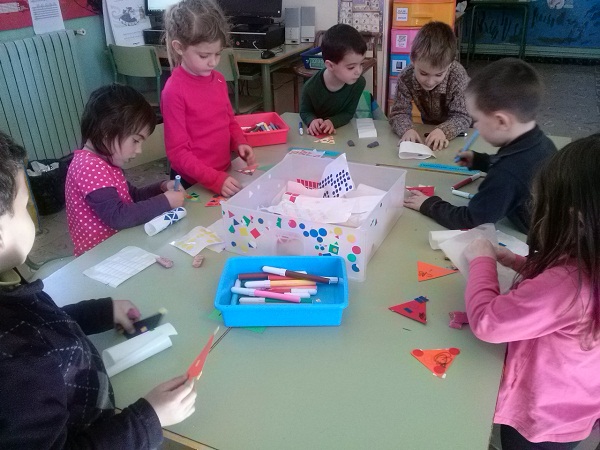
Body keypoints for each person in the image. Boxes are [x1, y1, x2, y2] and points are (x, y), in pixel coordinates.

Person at [0, 130, 197, 448]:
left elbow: (39, 324)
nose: (32, 217)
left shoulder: (8, 286)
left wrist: (101, 312)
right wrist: (148, 419)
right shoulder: (18, 368)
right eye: (24, 207)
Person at [463, 134, 600, 449]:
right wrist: (518, 262)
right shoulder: (589, 259)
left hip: (538, 420)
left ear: (575, 219)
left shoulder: (568, 286)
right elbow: (558, 285)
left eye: (543, 205)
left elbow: (487, 322)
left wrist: (482, 260)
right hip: (574, 408)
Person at [404, 58, 556, 233]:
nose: (475, 126)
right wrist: (478, 161)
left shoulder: (506, 174)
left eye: (477, 120)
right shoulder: (540, 142)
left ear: (501, 121)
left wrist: (429, 204)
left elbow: (471, 220)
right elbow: (514, 165)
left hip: (536, 237)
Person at [65, 84, 185, 256]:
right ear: (107, 130)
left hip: (119, 247)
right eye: (136, 141)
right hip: (99, 257)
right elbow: (118, 216)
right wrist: (165, 201)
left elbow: (131, 196)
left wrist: (161, 187)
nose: (139, 150)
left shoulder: (104, 162)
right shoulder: (89, 166)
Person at [161, 0, 255, 197]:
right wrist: (214, 179)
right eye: (204, 56)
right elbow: (177, 153)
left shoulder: (218, 80)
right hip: (192, 183)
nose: (213, 62)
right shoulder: (174, 90)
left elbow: (229, 120)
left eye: (218, 54)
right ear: (179, 47)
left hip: (223, 173)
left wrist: (239, 142)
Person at [388, 21, 471, 150]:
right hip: (428, 127)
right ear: (412, 59)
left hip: (460, 132)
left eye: (438, 75)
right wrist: (406, 130)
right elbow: (399, 112)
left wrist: (444, 131)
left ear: (450, 64)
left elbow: (463, 116)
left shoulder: (458, 76)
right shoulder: (405, 77)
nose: (430, 81)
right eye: (423, 73)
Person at [299, 24, 367, 136]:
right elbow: (305, 111)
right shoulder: (310, 86)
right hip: (316, 136)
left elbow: (348, 113)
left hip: (342, 133)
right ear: (330, 66)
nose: (358, 71)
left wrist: (332, 122)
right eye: (351, 67)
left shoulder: (359, 83)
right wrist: (312, 121)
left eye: (361, 64)